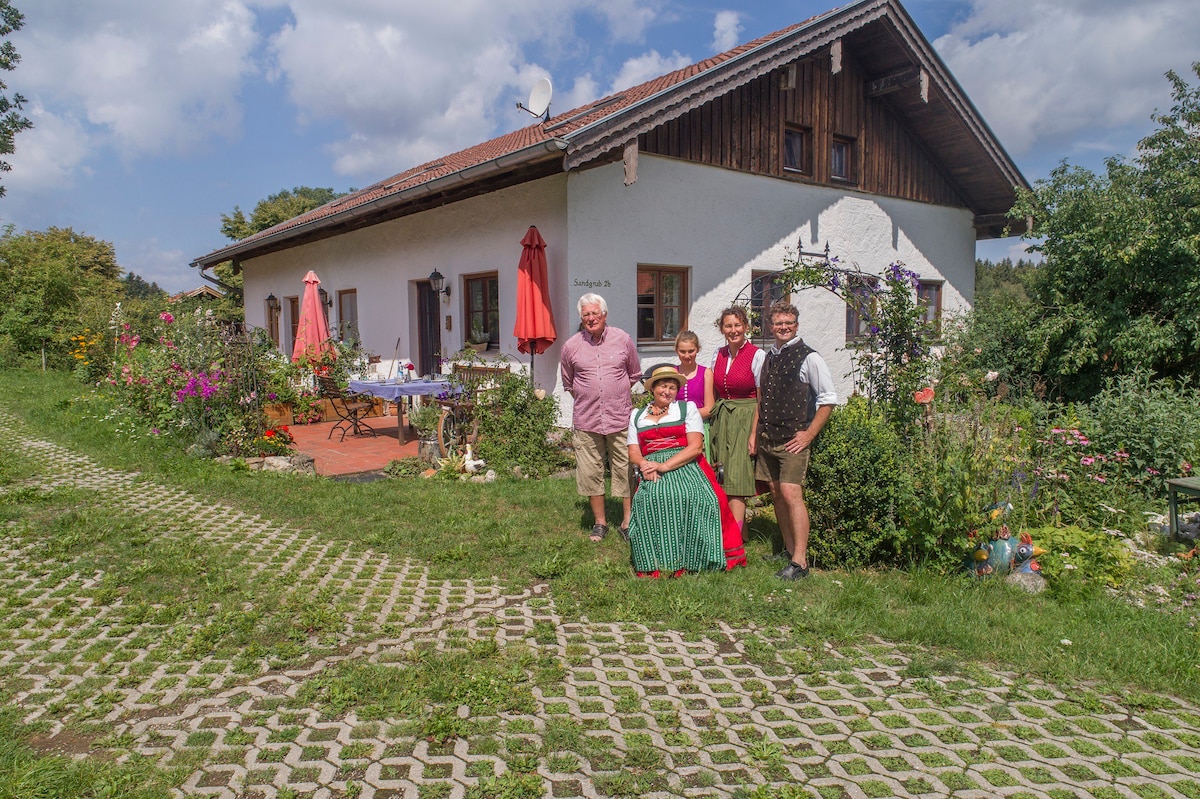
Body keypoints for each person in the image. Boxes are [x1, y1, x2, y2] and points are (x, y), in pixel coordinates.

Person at [626, 365, 745, 575]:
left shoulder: (686, 409)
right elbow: (634, 451)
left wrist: (664, 466)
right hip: (650, 465)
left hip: (685, 463)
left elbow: (695, 447)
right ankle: (657, 560)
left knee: (694, 496)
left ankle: (696, 557)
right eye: (663, 386)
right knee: (653, 497)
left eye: (672, 387)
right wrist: (645, 465)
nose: (668, 391)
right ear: (653, 388)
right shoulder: (637, 415)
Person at [755, 300, 838, 580]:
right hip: (768, 437)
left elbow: (827, 399)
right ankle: (789, 551)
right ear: (771, 325)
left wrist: (808, 434)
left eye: (788, 323)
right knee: (777, 494)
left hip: (793, 439)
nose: (784, 327)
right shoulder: (769, 356)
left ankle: (800, 563)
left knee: (792, 495)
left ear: (797, 325)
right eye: (779, 323)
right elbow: (761, 398)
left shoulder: (809, 357)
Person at [559, 293, 642, 542]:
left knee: (625, 468)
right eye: (586, 314)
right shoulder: (571, 346)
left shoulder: (623, 339)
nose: (591, 318)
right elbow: (568, 381)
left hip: (619, 416)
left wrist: (613, 395)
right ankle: (600, 523)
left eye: (595, 313)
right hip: (587, 419)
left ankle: (627, 521)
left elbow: (634, 374)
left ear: (605, 315)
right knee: (590, 470)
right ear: (581, 318)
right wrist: (591, 396)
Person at [708, 306, 765, 530]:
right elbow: (714, 391)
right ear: (722, 329)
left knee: (738, 475)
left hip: (746, 416)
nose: (733, 330)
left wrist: (754, 433)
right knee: (720, 471)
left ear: (746, 327)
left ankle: (737, 535)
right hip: (723, 417)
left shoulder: (756, 355)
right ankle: (724, 529)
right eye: (728, 325)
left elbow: (761, 399)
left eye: (738, 325)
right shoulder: (718, 354)